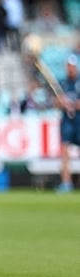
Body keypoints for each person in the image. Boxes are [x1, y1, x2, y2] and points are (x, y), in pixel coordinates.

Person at [57, 55, 80, 193]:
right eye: (68, 66)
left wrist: (73, 105)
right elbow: (56, 101)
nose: (69, 69)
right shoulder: (63, 83)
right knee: (64, 150)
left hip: (78, 120)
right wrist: (60, 102)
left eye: (72, 66)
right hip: (67, 121)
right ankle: (66, 182)